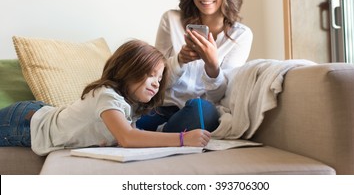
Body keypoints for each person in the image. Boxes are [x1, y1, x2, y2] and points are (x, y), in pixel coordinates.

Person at [0, 40, 211, 156]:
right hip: (25, 122)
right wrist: (183, 139)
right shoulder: (107, 96)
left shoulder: (130, 104)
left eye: (159, 77)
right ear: (128, 70)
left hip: (42, 112)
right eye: (150, 75)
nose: (156, 83)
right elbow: (127, 137)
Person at [137, 0, 253, 133]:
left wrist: (212, 66)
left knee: (202, 110)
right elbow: (156, 81)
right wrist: (179, 60)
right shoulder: (171, 20)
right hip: (162, 107)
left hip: (198, 111)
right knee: (120, 117)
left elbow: (221, 95)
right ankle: (165, 133)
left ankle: (160, 135)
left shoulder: (241, 35)